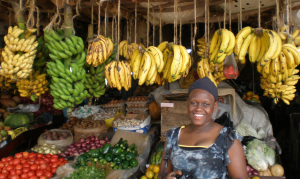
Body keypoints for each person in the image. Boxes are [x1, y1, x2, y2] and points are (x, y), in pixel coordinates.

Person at [158, 77, 248, 179]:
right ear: (187, 103)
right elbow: (162, 174)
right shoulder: (173, 137)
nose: (199, 108)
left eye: (206, 104)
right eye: (194, 103)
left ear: (214, 106)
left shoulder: (229, 140)